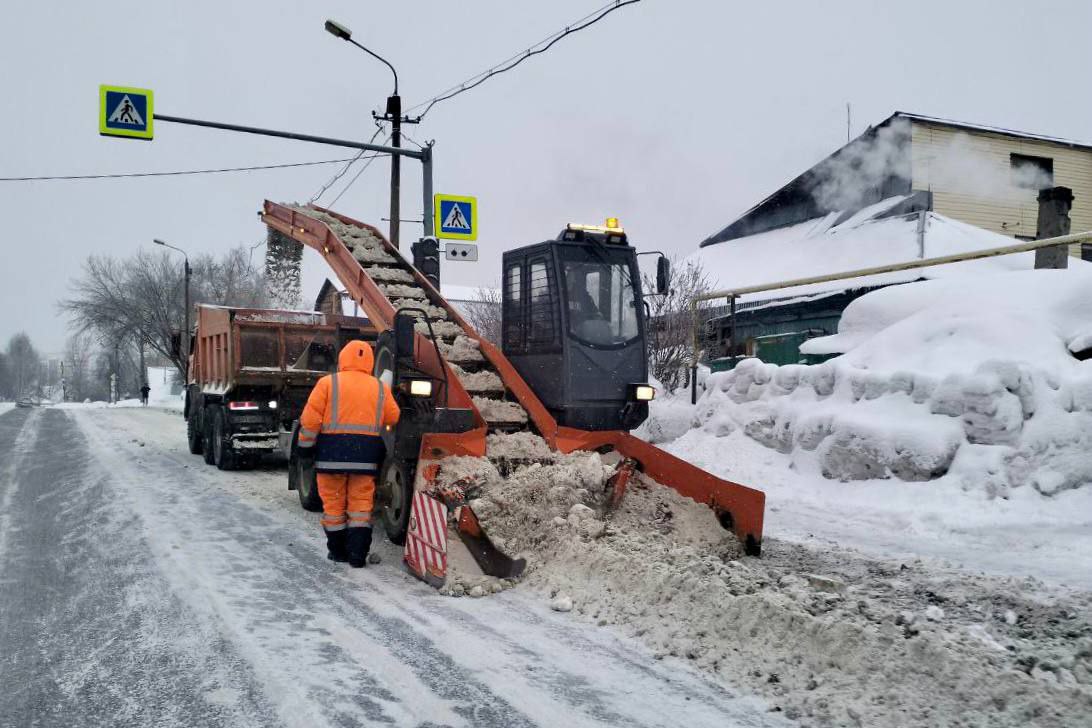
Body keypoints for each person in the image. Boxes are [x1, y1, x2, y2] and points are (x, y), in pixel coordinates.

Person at [297, 340, 400, 567]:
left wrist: (304, 448)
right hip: (365, 459)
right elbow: (393, 417)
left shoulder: (327, 383)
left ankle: (338, 551)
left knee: (333, 508)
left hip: (330, 457)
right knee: (361, 507)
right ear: (370, 361)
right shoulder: (379, 387)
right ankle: (357, 555)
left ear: (343, 358)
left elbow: (311, 420)